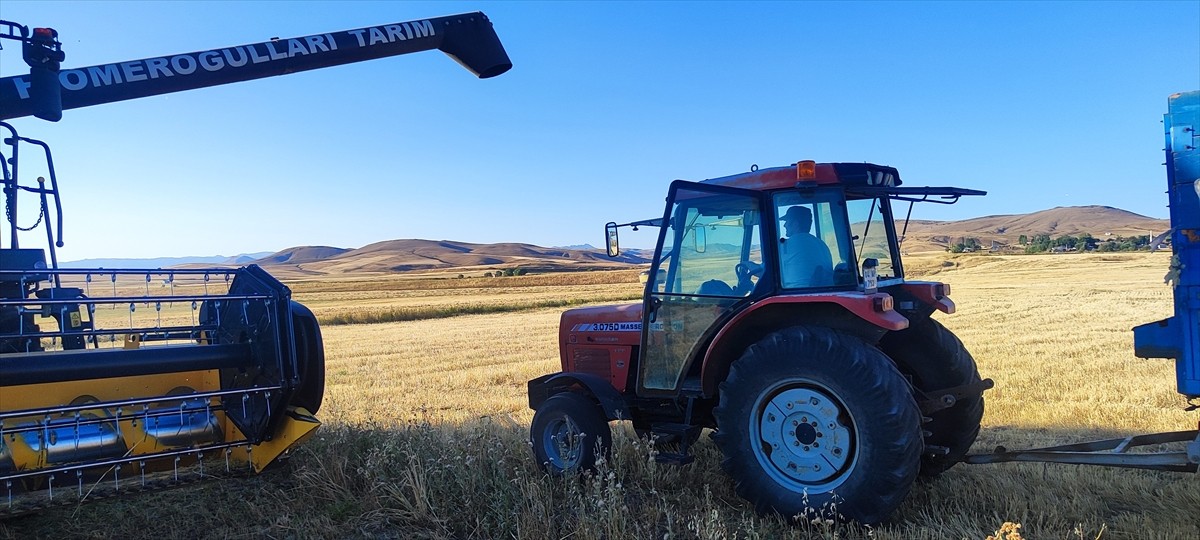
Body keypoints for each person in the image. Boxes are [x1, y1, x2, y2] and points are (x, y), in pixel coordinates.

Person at [779, 205, 833, 287]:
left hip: (796, 295)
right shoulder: (821, 244)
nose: (784, 225)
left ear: (795, 224)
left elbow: (768, 271)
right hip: (820, 293)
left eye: (787, 221)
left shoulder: (789, 244)